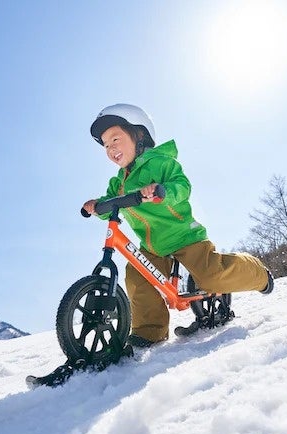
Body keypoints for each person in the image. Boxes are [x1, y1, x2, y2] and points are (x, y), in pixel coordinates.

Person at [83, 104, 273, 347]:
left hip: (184, 236)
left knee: (211, 276)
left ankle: (257, 273)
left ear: (139, 135)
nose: (111, 148)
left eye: (115, 139)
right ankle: (149, 332)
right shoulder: (117, 183)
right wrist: (96, 206)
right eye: (106, 145)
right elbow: (109, 202)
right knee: (137, 277)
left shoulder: (160, 162)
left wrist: (162, 191)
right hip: (153, 245)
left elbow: (182, 185)